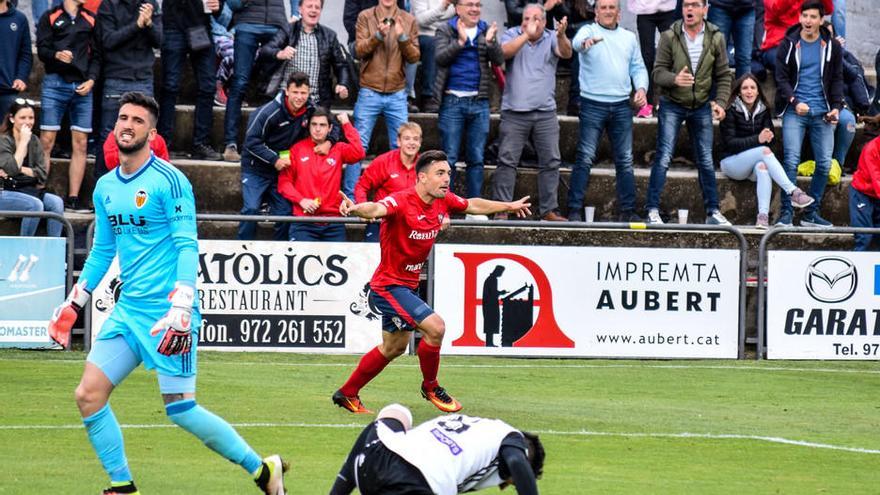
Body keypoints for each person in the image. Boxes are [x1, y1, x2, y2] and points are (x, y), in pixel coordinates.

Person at [45, 92, 289, 495]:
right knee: (88, 395)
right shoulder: (105, 186)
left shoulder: (171, 181)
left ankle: (262, 470)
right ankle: (122, 485)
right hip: (127, 314)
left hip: (169, 316)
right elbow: (104, 250)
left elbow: (185, 244)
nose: (127, 125)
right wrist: (76, 302)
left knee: (181, 410)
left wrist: (183, 303)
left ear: (152, 132)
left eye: (138, 120)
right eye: (123, 118)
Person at [332, 150, 531, 414]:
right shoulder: (401, 201)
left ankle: (347, 393)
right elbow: (376, 208)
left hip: (407, 286)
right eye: (440, 173)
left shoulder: (443, 200)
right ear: (422, 178)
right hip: (389, 286)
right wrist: (357, 208)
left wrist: (508, 206)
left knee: (394, 347)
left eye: (448, 173)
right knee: (435, 328)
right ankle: (431, 386)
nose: (447, 178)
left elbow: (472, 204)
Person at [644, 0, 733, 225]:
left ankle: (712, 211)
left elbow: (723, 75)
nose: (689, 10)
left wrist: (721, 102)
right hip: (672, 103)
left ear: (705, 10)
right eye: (685, 6)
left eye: (694, 5)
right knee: (664, 156)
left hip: (701, 105)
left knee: (705, 159)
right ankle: (652, 209)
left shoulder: (716, 37)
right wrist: (674, 79)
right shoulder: (669, 36)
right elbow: (657, 73)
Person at [329, 403, 545, 494]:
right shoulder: (508, 436)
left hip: (371, 460)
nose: (505, 487)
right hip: (416, 482)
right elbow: (517, 462)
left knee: (396, 411)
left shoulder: (478, 431)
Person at [567, 0, 648, 222]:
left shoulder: (629, 37)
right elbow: (575, 44)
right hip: (592, 104)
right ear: (596, 13)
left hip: (622, 105)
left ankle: (628, 212)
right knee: (584, 157)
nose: (608, 11)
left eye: (612, 7)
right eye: (603, 7)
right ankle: (574, 210)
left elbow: (638, 67)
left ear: (619, 14)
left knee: (625, 160)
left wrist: (641, 88)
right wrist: (585, 44)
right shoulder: (588, 30)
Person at [491, 3, 570, 222]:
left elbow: (566, 52)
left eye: (536, 19)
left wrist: (562, 35)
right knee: (507, 161)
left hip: (545, 112)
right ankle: (502, 209)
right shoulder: (512, 34)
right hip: (515, 112)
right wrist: (527, 35)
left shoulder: (552, 36)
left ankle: (548, 211)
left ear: (544, 22)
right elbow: (503, 53)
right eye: (526, 18)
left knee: (551, 161)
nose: (530, 22)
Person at [237, 72, 336, 241]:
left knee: (286, 214)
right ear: (287, 91)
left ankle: (281, 252)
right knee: (251, 210)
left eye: (303, 93)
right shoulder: (268, 112)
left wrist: (329, 142)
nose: (299, 97)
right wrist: (274, 159)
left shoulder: (310, 109)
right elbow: (251, 142)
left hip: (283, 171)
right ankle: (242, 248)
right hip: (256, 169)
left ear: (309, 93)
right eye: (295, 92)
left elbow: (334, 125)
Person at [774, 0, 843, 227]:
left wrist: (836, 107)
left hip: (822, 112)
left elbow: (837, 79)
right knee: (791, 160)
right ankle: (786, 213)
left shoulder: (832, 45)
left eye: (813, 17)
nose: (808, 21)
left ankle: (811, 213)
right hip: (796, 111)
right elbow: (781, 79)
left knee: (824, 164)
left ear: (821, 20)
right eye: (805, 16)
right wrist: (794, 101)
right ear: (800, 18)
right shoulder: (789, 43)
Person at [346, 0, 420, 198]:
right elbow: (358, 50)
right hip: (369, 89)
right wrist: (378, 36)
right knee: (358, 148)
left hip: (397, 92)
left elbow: (414, 57)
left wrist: (402, 37)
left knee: (403, 146)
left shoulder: (408, 19)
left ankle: (401, 197)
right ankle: (351, 199)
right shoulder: (365, 16)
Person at [719, 74, 813, 228]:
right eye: (745, 88)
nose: (749, 91)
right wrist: (759, 139)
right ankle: (793, 191)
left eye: (752, 88)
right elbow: (730, 144)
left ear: (757, 92)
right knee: (763, 151)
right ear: (739, 92)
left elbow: (771, 141)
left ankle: (762, 217)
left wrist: (769, 137)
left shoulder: (763, 109)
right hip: (731, 163)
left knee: (763, 167)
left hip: (753, 165)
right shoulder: (730, 110)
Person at [36, 0, 100, 214]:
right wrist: (57, 54)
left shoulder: (90, 18)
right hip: (55, 82)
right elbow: (42, 49)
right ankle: (39, 191)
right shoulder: (50, 16)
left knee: (81, 143)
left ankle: (73, 197)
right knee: (46, 140)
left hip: (82, 86)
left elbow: (98, 55)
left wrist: (91, 80)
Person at [434, 0, 501, 198]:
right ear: (457, 9)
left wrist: (490, 42)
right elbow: (440, 58)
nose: (474, 9)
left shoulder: (485, 30)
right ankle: (445, 204)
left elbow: (498, 60)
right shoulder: (445, 29)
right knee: (449, 159)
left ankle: (474, 207)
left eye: (478, 5)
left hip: (479, 102)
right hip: (452, 101)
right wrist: (460, 42)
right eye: (469, 4)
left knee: (477, 158)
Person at [94, 0, 162, 190]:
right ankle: (102, 193)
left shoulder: (150, 5)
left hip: (143, 78)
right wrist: (137, 26)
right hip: (116, 76)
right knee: (109, 137)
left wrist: (148, 24)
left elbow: (161, 40)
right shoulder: (109, 5)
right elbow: (108, 41)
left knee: (146, 137)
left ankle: (142, 191)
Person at [278, 110, 365, 241]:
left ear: (330, 128)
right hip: (303, 222)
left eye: (322, 125)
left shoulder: (339, 148)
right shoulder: (297, 149)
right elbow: (284, 182)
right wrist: (301, 200)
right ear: (309, 126)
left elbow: (359, 153)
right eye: (314, 124)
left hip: (333, 222)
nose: (317, 129)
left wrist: (346, 124)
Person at [221, 0, 288, 162]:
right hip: (247, 23)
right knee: (239, 83)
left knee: (273, 84)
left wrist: (295, 14)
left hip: (276, 23)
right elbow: (232, 4)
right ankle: (230, 143)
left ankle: (268, 144)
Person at [157, 0, 223, 160]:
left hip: (200, 26)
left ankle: (201, 144)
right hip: (173, 26)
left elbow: (217, 4)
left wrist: (218, 5)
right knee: (170, 86)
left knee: (208, 86)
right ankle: (163, 142)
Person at [260, 0, 352, 107]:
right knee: (261, 117)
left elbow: (341, 65)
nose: (313, 10)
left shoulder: (329, 36)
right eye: (309, 6)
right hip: (286, 97)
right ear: (300, 9)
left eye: (317, 7)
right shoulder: (288, 29)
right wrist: (280, 53)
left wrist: (343, 84)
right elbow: (266, 50)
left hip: (315, 100)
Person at [0, 99, 64, 237]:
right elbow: (12, 169)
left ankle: (54, 249)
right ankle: (26, 246)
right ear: (12, 119)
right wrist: (23, 142)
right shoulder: (3, 141)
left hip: (28, 190)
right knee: (35, 206)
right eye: (22, 118)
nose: (27, 122)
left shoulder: (34, 140)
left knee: (56, 203)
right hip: (5, 192)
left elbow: (42, 174)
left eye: (31, 118)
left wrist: (20, 169)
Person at [354, 121, 423, 242]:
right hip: (382, 224)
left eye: (415, 139)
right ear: (398, 141)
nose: (412, 142)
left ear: (420, 142)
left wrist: (443, 215)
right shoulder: (384, 161)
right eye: (407, 138)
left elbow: (439, 192)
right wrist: (363, 208)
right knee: (373, 260)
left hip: (413, 226)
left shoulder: (425, 165)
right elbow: (361, 186)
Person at [628, 0, 676, 118]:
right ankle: (647, 104)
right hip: (644, 10)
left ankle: (670, 101)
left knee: (672, 56)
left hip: (668, 8)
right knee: (647, 57)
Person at [758, 0, 832, 74]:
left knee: (837, 58)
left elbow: (828, 9)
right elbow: (777, 9)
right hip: (777, 44)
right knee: (788, 63)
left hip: (806, 43)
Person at [411, 0, 455, 112]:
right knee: (433, 44)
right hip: (423, 35)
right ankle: (429, 96)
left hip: (447, 35)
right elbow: (421, 21)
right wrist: (444, 6)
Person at [0, 0, 31, 129]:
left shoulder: (20, 19)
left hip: (7, 89)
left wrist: (21, 77)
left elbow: (25, 53)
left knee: (6, 138)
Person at [707, 0, 754, 79]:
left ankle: (742, 90)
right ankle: (716, 91)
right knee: (716, 57)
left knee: (745, 58)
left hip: (747, 8)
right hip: (719, 6)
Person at [849, 134, 880, 251]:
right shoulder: (871, 149)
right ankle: (859, 265)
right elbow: (877, 179)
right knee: (864, 237)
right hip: (862, 193)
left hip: (876, 194)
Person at [102, 130, 169, 170]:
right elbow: (111, 164)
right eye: (124, 119)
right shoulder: (113, 137)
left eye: (138, 121)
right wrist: (124, 145)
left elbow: (164, 167)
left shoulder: (157, 140)